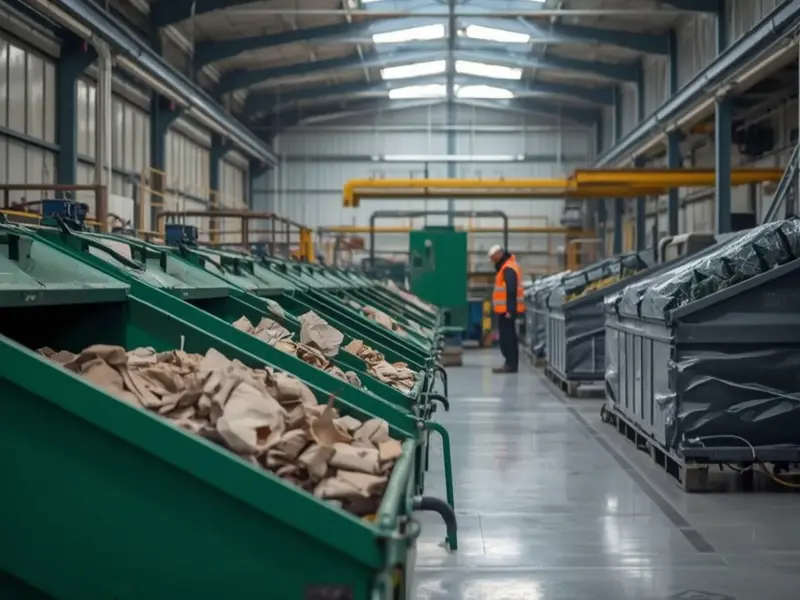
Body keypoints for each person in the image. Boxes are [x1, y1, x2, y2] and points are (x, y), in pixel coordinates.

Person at [488, 244, 525, 373]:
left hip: (507, 311)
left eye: (493, 258)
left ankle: (510, 364)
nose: (492, 261)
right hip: (504, 310)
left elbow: (511, 290)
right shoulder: (506, 266)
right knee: (507, 337)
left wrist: (510, 310)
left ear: (499, 255)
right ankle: (510, 363)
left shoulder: (508, 268)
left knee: (507, 338)